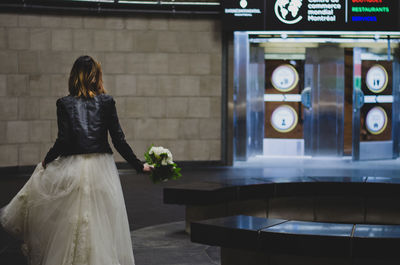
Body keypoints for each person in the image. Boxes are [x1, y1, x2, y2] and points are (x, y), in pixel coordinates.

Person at [0, 55, 151, 265]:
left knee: (72, 223)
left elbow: (63, 141)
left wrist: (46, 161)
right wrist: (138, 165)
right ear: (96, 76)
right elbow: (119, 140)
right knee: (101, 224)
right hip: (102, 168)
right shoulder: (107, 102)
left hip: (73, 167)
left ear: (73, 76)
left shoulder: (64, 103)